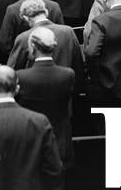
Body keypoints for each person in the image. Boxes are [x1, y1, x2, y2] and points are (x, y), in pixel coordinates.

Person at [16, 27, 76, 168]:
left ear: (32, 47)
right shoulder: (68, 75)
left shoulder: (21, 77)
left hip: (31, 142)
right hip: (60, 140)